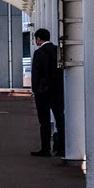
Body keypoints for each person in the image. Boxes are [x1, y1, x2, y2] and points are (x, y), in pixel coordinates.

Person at [29, 27, 63, 157]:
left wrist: (35, 89)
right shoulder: (57, 51)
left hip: (42, 92)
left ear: (38, 39)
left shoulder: (39, 53)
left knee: (44, 121)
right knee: (60, 119)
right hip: (57, 91)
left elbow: (35, 73)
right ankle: (61, 148)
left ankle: (45, 149)